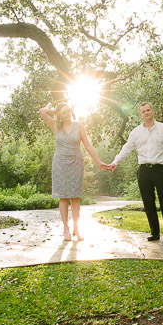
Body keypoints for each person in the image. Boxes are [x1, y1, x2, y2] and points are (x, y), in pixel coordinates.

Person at [107, 102, 163, 243]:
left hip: (160, 169)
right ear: (141, 115)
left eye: (148, 110)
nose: (146, 113)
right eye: (143, 111)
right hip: (143, 171)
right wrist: (115, 162)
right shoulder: (136, 132)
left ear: (153, 111)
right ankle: (154, 233)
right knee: (148, 203)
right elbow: (126, 148)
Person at [39, 102, 106, 241]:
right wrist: (56, 110)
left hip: (76, 162)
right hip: (60, 164)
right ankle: (66, 229)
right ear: (59, 115)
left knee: (75, 197)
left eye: (68, 111)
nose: (68, 114)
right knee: (63, 197)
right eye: (64, 112)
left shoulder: (79, 125)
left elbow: (87, 144)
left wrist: (98, 162)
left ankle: (76, 228)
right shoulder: (55, 125)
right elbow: (42, 111)